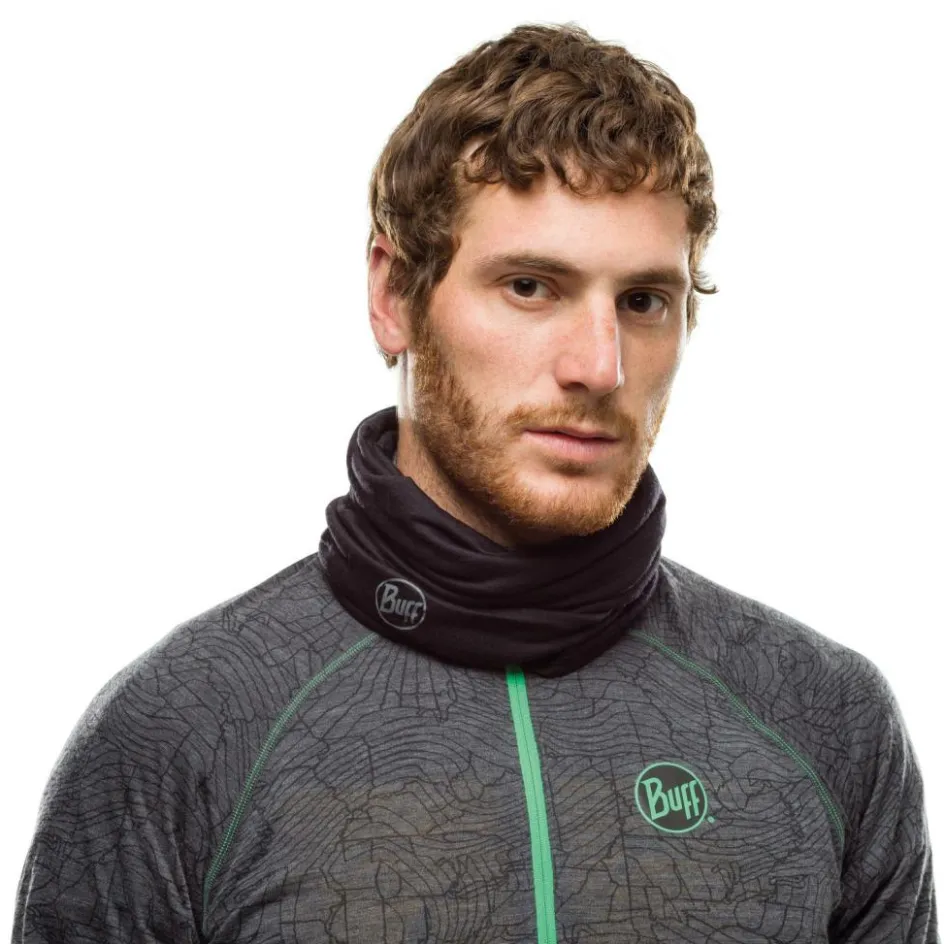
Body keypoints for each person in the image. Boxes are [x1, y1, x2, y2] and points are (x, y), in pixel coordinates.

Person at [13, 21, 937, 944]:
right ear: (393, 296)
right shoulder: (181, 730)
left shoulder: (827, 720)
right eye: (531, 287)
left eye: (643, 301)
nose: (599, 366)